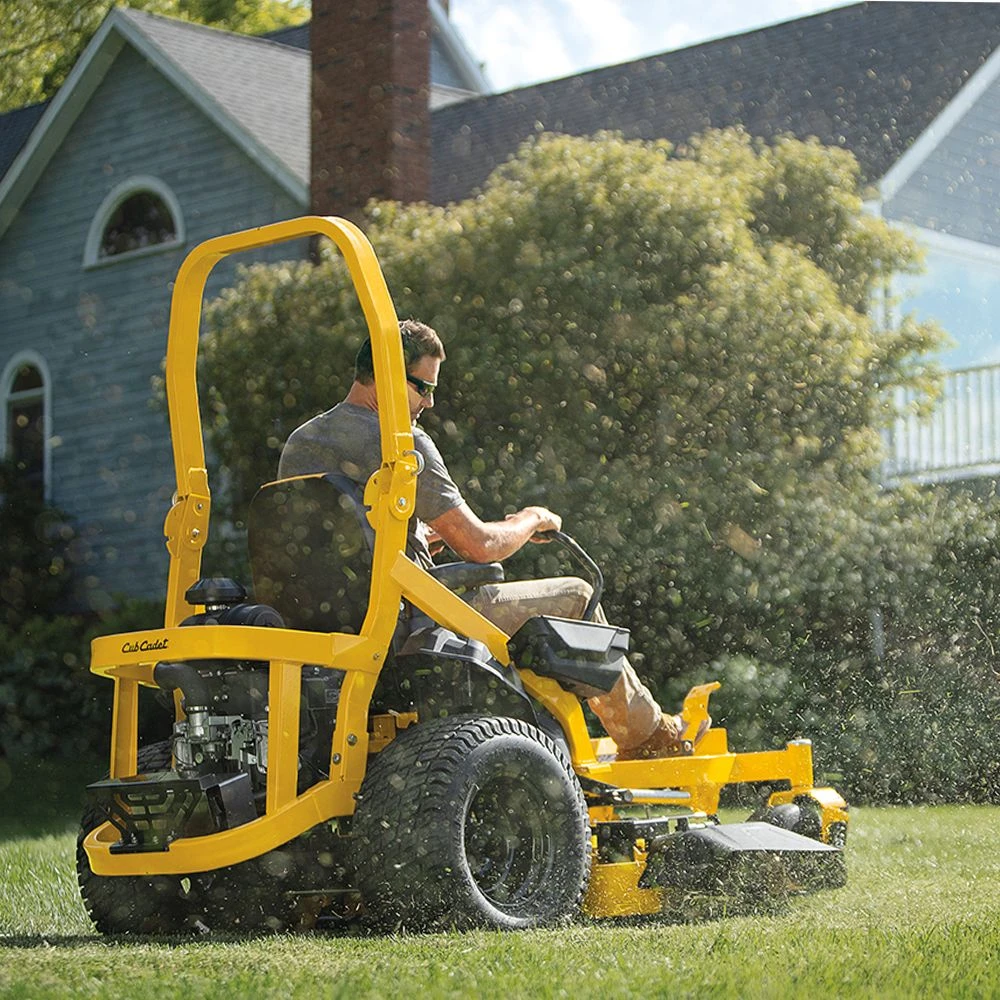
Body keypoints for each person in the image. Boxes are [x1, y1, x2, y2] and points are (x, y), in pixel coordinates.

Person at [278, 320, 703, 758]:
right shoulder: (400, 444)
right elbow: (479, 545)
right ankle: (649, 738)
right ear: (386, 374)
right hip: (409, 624)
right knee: (577, 595)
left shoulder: (301, 441)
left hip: (329, 628)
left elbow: (336, 538)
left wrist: (416, 537)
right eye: (423, 388)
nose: (429, 402)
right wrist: (530, 520)